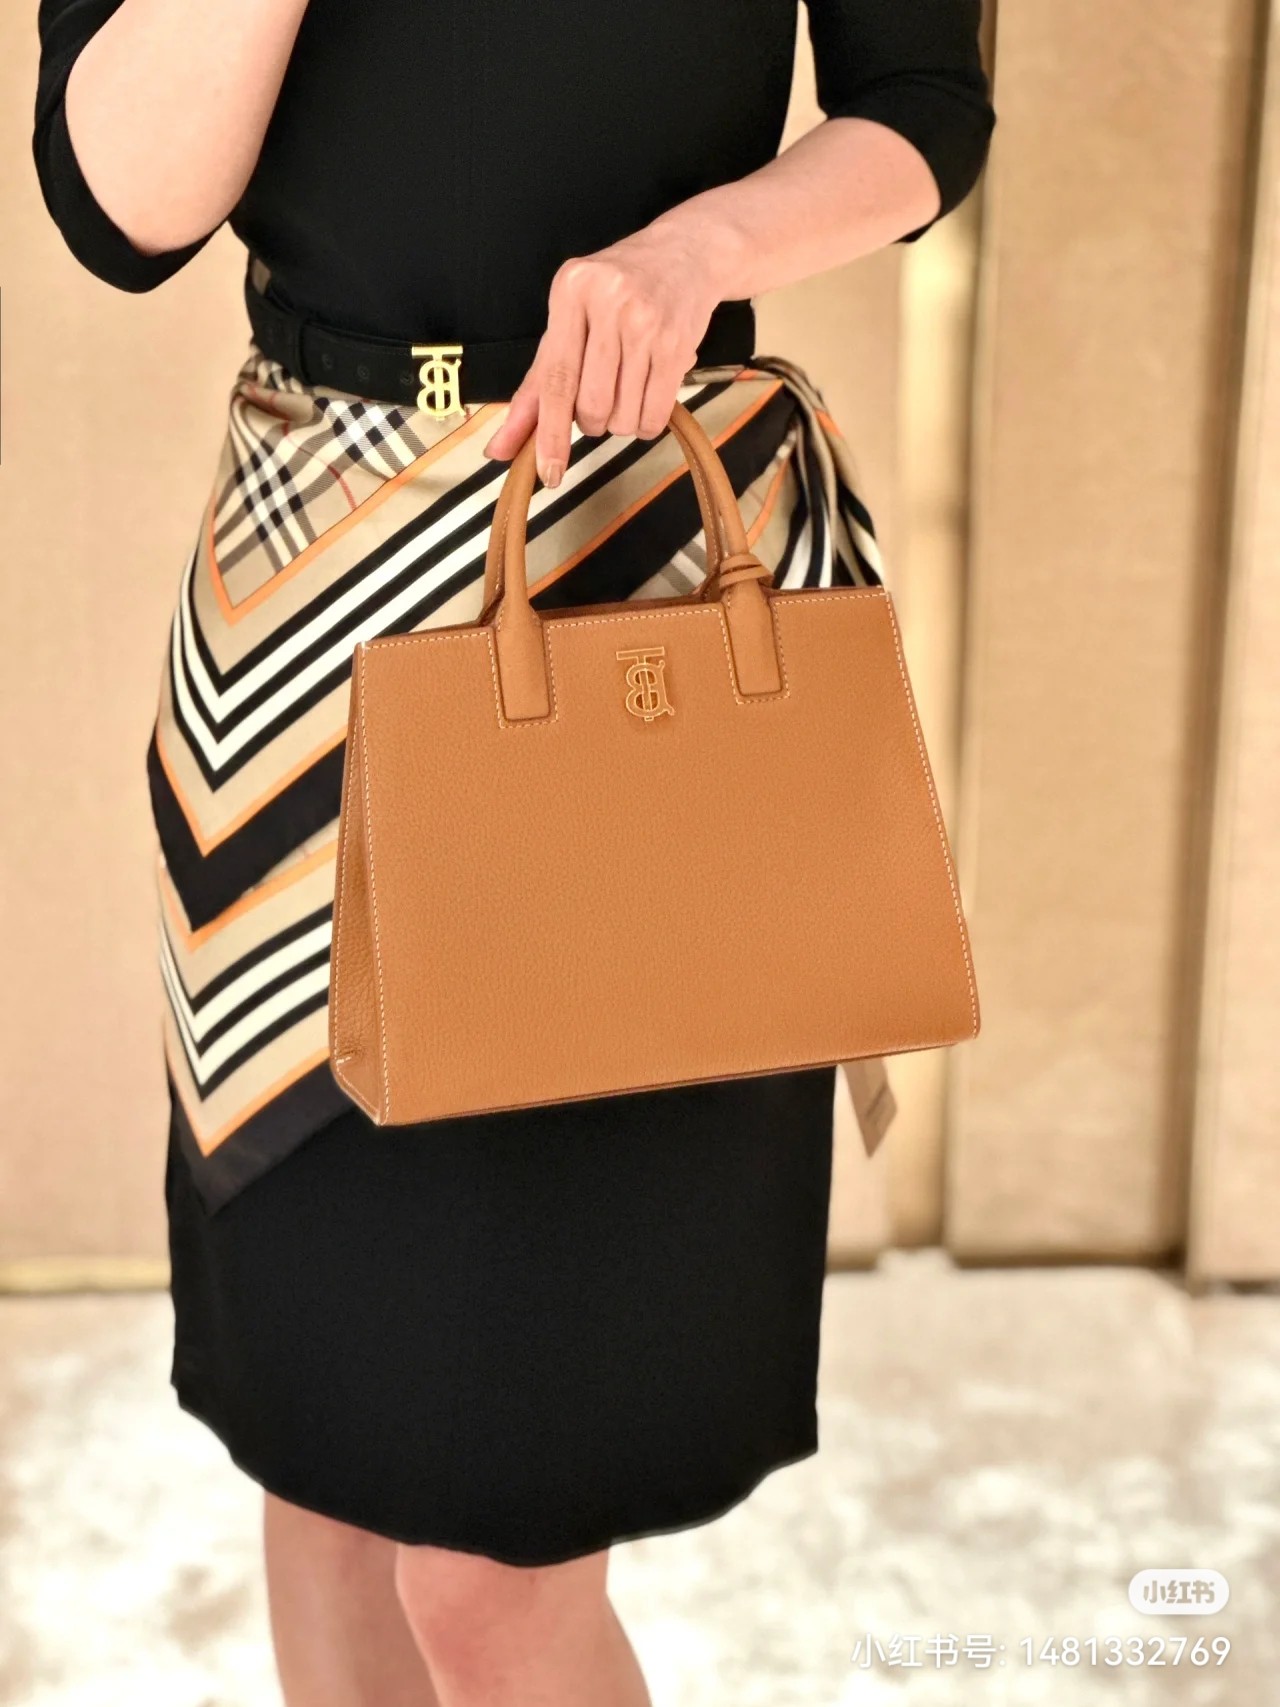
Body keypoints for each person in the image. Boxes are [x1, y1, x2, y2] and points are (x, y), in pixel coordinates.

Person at [31, 3, 995, 1702]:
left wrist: (702, 250)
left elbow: (923, 102)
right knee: (324, 1474)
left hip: (645, 595)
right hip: (306, 648)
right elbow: (121, 206)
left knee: (497, 1577)